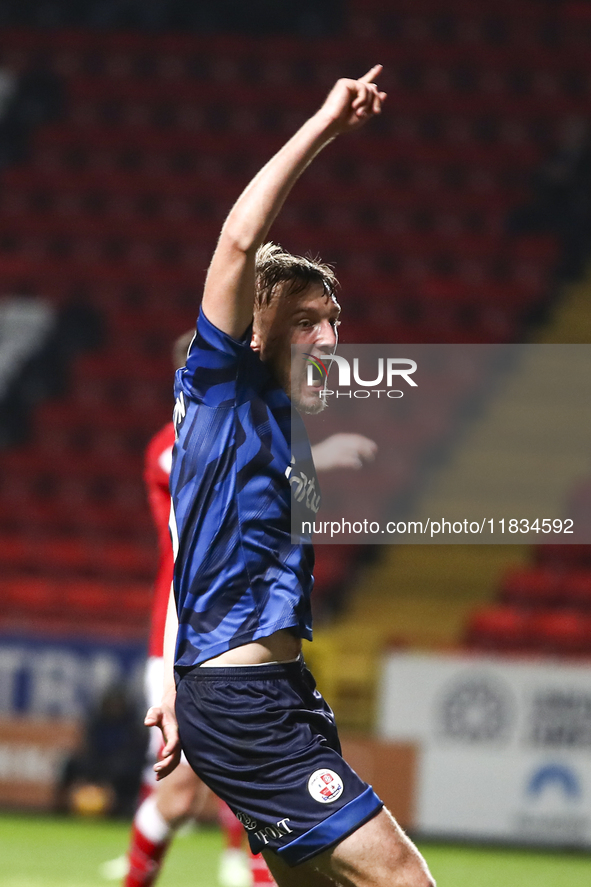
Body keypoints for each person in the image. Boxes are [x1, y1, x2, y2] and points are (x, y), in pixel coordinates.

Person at [148, 67, 435, 887]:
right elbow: (240, 243)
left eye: (334, 321)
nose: (329, 338)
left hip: (273, 696)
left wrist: (176, 677)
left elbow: (194, 550)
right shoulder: (217, 382)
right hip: (248, 710)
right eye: (304, 319)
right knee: (406, 881)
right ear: (254, 323)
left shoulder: (284, 428)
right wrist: (323, 124)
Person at [119, 332, 377, 887]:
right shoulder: (176, 445)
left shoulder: (246, 431)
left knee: (255, 789)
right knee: (181, 794)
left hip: (239, 636)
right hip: (186, 635)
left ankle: (242, 865)